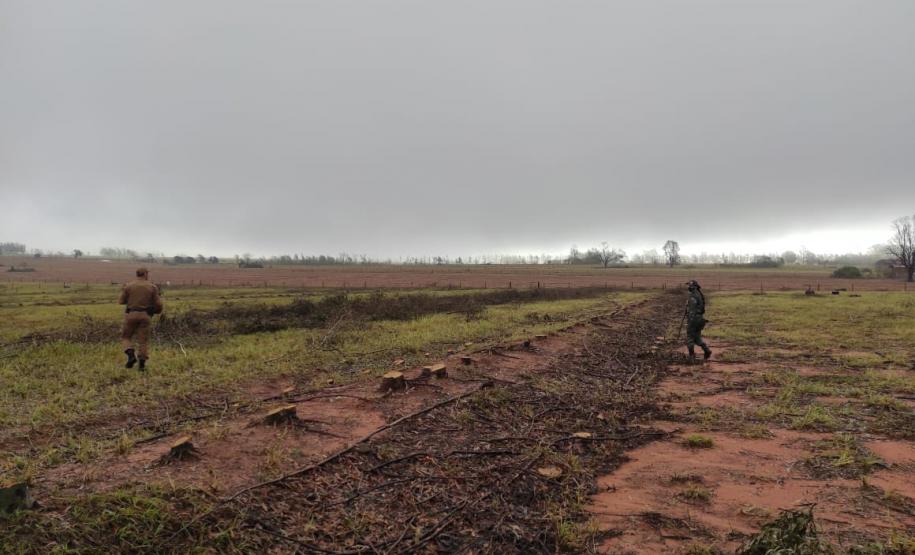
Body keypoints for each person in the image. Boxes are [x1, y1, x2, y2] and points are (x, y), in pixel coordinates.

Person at [118, 267, 163, 370]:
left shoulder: (128, 286)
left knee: (126, 337)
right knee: (143, 341)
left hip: (131, 314)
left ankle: (130, 355)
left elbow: (121, 301)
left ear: (137, 274)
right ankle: (141, 366)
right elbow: (159, 304)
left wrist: (132, 300)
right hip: (145, 316)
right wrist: (156, 311)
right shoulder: (152, 287)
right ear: (145, 274)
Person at [685, 280, 712, 362]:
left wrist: (690, 321)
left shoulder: (693, 296)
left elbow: (692, 311)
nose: (689, 287)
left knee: (689, 337)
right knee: (697, 338)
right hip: (699, 319)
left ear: (695, 286)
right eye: (689, 285)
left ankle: (691, 356)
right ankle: (707, 351)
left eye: (690, 286)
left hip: (694, 320)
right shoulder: (699, 294)